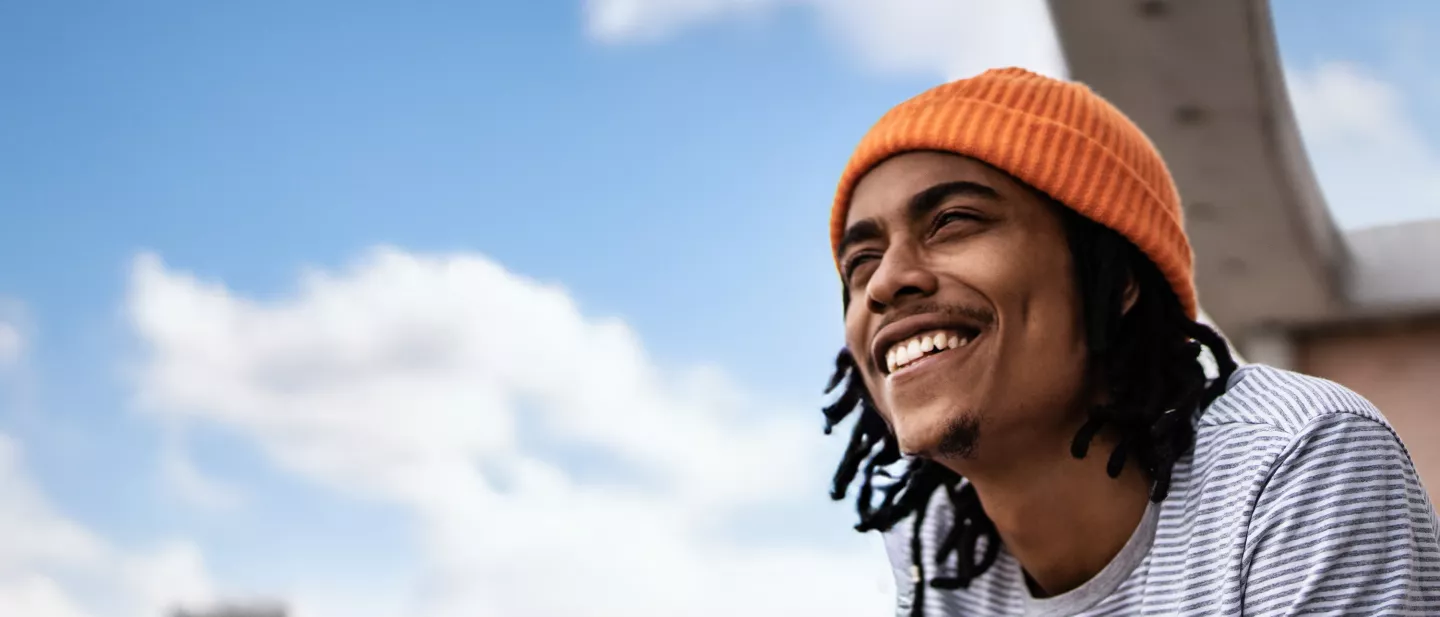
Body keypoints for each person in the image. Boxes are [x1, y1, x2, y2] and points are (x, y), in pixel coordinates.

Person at [821, 67, 1440, 616]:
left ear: (1115, 279)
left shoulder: (1292, 459)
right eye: (861, 262)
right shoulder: (936, 549)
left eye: (954, 221)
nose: (886, 283)